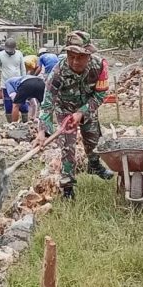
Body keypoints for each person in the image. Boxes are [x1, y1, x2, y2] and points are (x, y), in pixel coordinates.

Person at [35, 31, 114, 199]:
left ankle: (94, 165)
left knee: (94, 141)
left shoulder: (100, 66)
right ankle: (68, 188)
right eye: (71, 56)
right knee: (68, 148)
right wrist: (42, 131)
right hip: (64, 110)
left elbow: (100, 95)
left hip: (87, 107)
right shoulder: (58, 72)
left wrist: (81, 112)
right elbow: (48, 101)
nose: (75, 61)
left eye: (80, 57)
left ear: (89, 54)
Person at [0, 39, 26, 122]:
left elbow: (23, 68)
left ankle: (26, 123)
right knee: (8, 105)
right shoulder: (0, 55)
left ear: (14, 48)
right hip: (6, 85)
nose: (9, 52)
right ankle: (10, 125)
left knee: (22, 105)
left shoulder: (19, 54)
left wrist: (24, 80)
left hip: (18, 84)